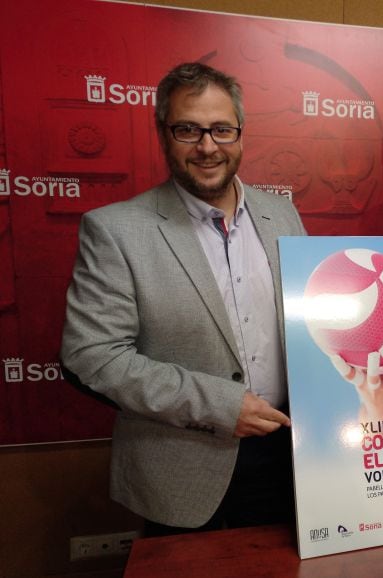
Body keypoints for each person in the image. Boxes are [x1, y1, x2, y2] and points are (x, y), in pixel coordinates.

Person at [60, 62, 306, 535]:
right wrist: (219, 404)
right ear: (163, 133)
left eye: (221, 129)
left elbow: (311, 315)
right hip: (183, 471)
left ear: (241, 133)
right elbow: (92, 356)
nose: (207, 146)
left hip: (290, 458)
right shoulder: (115, 230)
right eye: (188, 129)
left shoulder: (283, 214)